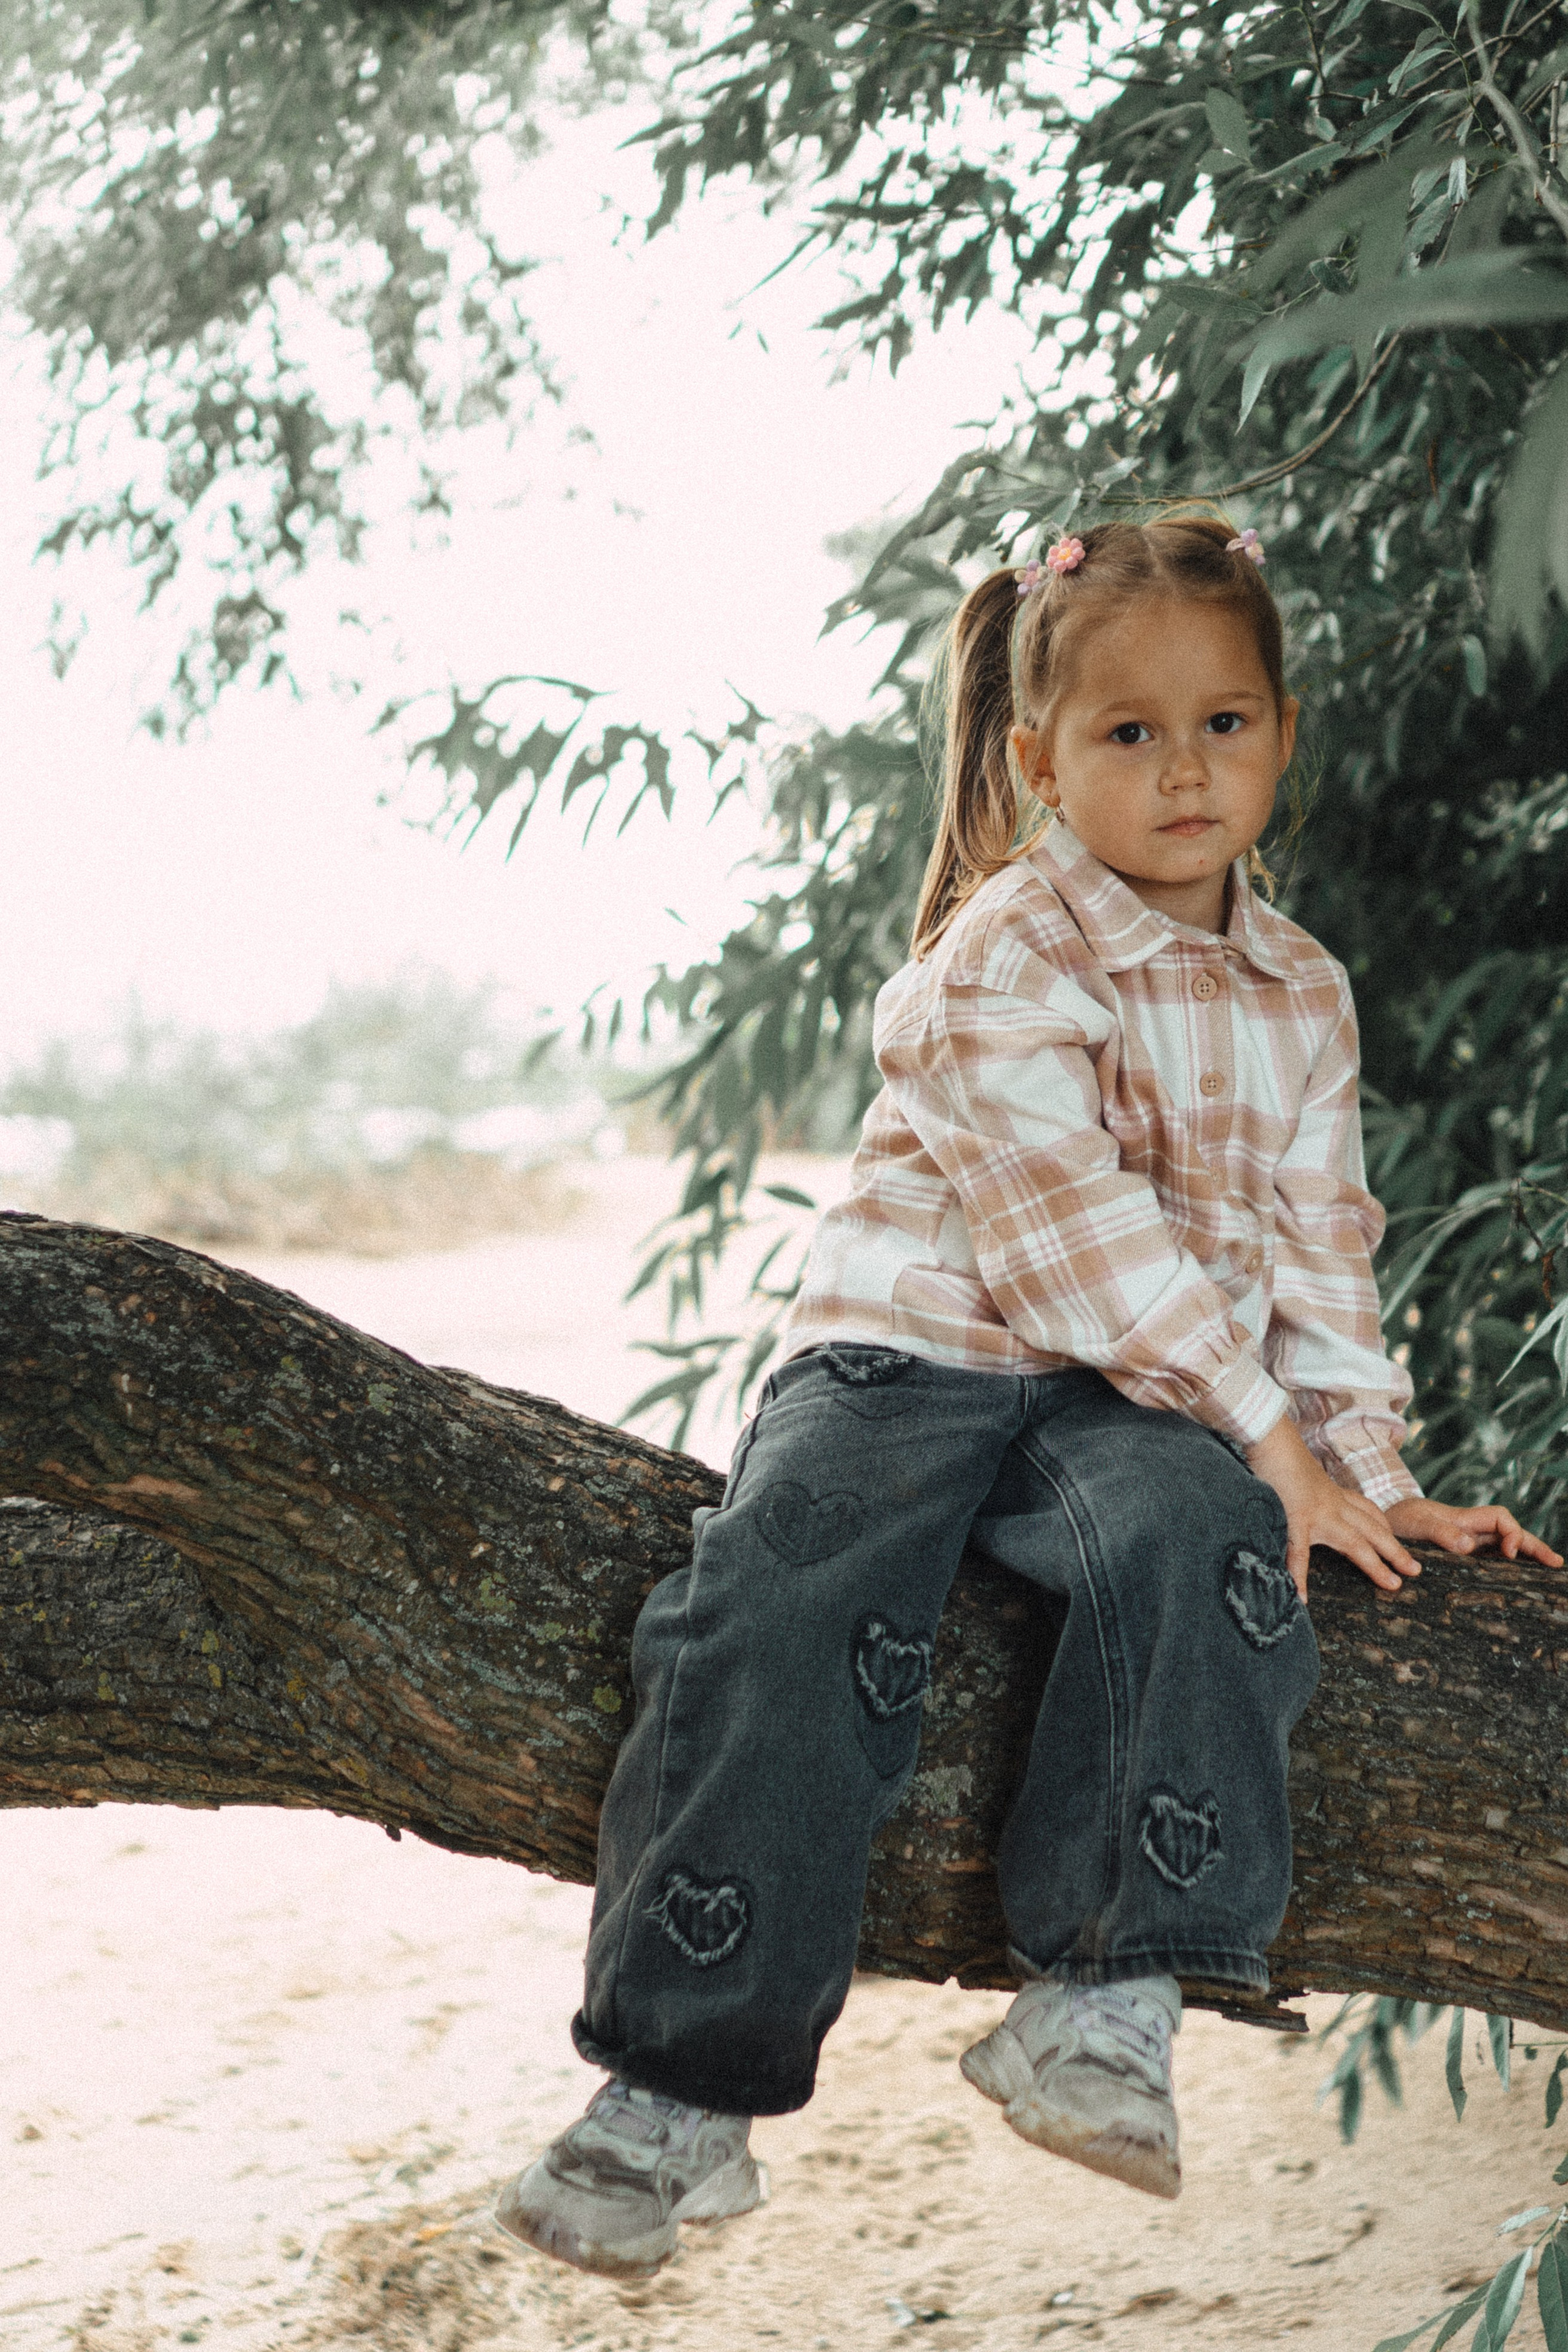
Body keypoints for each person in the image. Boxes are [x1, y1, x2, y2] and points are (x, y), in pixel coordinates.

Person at [495, 514, 1561, 2282]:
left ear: (1284, 732)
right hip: (909, 1358)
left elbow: (1322, 1249)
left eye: (1224, 722)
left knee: (1211, 1538)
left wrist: (1357, 1474)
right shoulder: (1005, 953)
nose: (1185, 769)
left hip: (1131, 1398)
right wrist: (1271, 1433)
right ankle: (676, 2090)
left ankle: (1105, 1996)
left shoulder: (1302, 992)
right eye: (1130, 732)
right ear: (1039, 761)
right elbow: (1081, 1247)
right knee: (784, 1596)